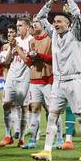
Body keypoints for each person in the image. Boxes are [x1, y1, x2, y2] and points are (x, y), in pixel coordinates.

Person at [31, 0, 81, 161]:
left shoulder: (76, 34)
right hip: (58, 83)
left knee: (80, 116)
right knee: (52, 115)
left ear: (68, 23)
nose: (55, 24)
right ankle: (47, 151)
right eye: (55, 21)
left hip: (74, 81)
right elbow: (42, 17)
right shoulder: (54, 35)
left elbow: (78, 14)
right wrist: (51, 1)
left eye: (59, 21)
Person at [22, 15, 55, 150]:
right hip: (34, 80)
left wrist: (39, 56)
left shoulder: (51, 39)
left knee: (51, 110)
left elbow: (54, 59)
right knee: (34, 109)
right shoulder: (32, 41)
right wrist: (29, 57)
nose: (34, 24)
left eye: (37, 22)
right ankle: (33, 140)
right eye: (33, 22)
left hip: (48, 79)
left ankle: (58, 138)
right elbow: (30, 63)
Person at [0, 21, 31, 148]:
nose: (18, 28)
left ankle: (21, 138)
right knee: (6, 104)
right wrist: (11, 48)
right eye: (17, 26)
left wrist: (16, 47)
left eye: (20, 26)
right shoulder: (13, 41)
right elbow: (6, 61)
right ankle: (7, 136)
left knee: (23, 107)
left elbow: (29, 62)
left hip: (25, 77)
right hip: (12, 76)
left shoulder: (31, 41)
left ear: (27, 27)